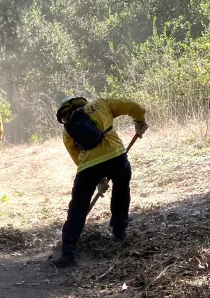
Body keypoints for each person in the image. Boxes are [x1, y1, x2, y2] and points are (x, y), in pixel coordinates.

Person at [50, 96, 148, 267]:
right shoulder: (101, 104)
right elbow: (134, 107)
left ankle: (68, 252)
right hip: (116, 156)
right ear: (80, 102)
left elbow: (77, 159)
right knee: (121, 191)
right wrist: (139, 121)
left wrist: (98, 180)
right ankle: (119, 233)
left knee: (78, 206)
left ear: (64, 114)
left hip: (88, 166)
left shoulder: (67, 130)